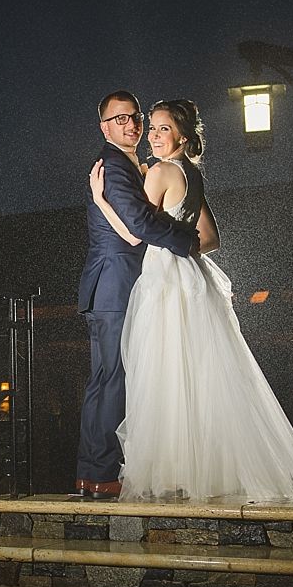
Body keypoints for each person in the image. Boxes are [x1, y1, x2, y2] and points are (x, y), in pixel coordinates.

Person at [89, 98, 293, 505]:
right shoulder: (191, 175)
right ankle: (205, 471)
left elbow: (135, 235)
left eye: (161, 128)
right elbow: (211, 239)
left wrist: (101, 200)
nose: (151, 134)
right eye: (150, 127)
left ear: (182, 137)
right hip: (192, 278)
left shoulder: (161, 172)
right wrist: (182, 249)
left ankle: (173, 473)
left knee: (165, 374)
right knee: (198, 374)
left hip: (164, 282)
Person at [76, 90, 199, 500]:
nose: (130, 125)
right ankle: (99, 473)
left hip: (124, 283)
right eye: (119, 120)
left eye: (134, 118)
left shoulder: (137, 165)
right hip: (114, 284)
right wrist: (185, 239)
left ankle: (96, 471)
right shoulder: (113, 167)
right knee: (114, 377)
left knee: (115, 377)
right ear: (104, 128)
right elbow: (139, 223)